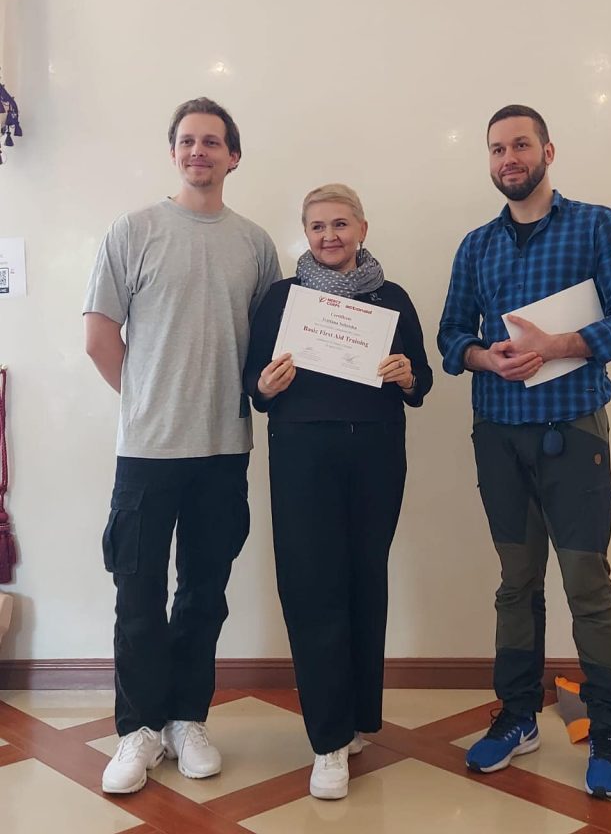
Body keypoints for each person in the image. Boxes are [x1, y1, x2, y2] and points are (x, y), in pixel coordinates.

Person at [438, 104, 611, 799]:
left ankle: (609, 727)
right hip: (497, 436)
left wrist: (559, 345)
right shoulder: (476, 245)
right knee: (515, 583)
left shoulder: (597, 225)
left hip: (573, 434)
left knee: (587, 584)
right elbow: (450, 335)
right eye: (497, 149)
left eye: (520, 145)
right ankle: (518, 715)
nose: (509, 159)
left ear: (547, 151)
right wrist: (483, 357)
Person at [84, 97, 281, 795]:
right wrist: (146, 402)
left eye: (213, 141)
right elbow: (99, 337)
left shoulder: (255, 244)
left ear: (234, 156)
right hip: (146, 452)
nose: (199, 151)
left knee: (203, 593)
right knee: (137, 594)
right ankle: (137, 730)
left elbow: (269, 345)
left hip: (224, 449)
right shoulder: (133, 231)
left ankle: (186, 720)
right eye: (188, 141)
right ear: (173, 152)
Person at [244, 184, 432, 801]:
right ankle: (326, 741)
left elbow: (422, 381)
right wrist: (267, 386)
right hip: (303, 457)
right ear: (305, 233)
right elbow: (252, 384)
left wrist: (407, 376)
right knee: (311, 586)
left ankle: (353, 720)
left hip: (377, 455)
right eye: (318, 226)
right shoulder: (282, 299)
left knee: (364, 582)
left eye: (341, 224)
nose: (330, 236)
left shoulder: (392, 298)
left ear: (362, 229)